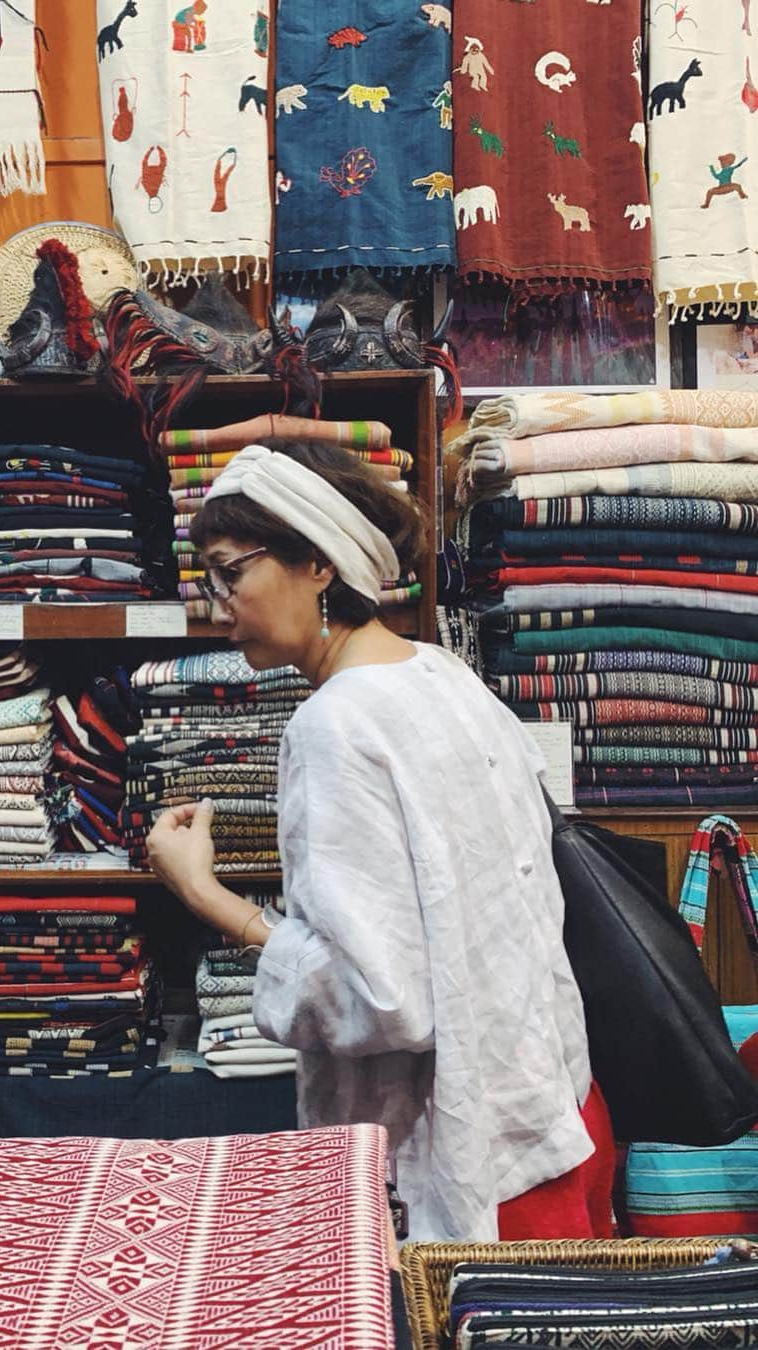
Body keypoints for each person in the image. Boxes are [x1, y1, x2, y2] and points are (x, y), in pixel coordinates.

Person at [145, 441, 613, 1243]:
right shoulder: (442, 675)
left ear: (319, 565)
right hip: (556, 1108)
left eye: (231, 572)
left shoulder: (336, 725)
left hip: (467, 1156)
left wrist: (207, 896)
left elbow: (384, 1000)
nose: (219, 603)